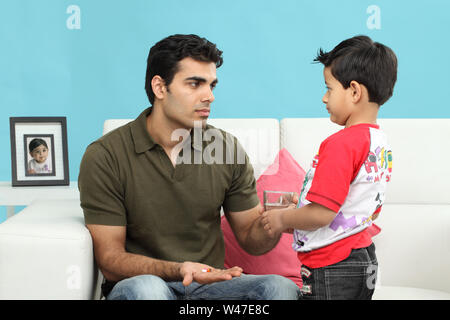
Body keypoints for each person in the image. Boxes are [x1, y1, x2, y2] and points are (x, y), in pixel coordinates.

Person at [78, 34, 300, 300]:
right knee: (147, 291)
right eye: (195, 84)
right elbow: (110, 259)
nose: (209, 96)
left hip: (211, 285)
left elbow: (250, 239)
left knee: (280, 288)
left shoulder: (226, 149)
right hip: (144, 283)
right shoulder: (105, 156)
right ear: (160, 88)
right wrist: (179, 269)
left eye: (211, 85)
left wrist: (275, 221)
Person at [262, 35, 397, 300]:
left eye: (329, 88)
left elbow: (322, 215)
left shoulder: (340, 144)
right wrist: (300, 203)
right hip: (363, 259)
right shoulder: (378, 143)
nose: (324, 98)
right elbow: (358, 203)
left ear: (355, 91)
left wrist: (281, 219)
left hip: (333, 264)